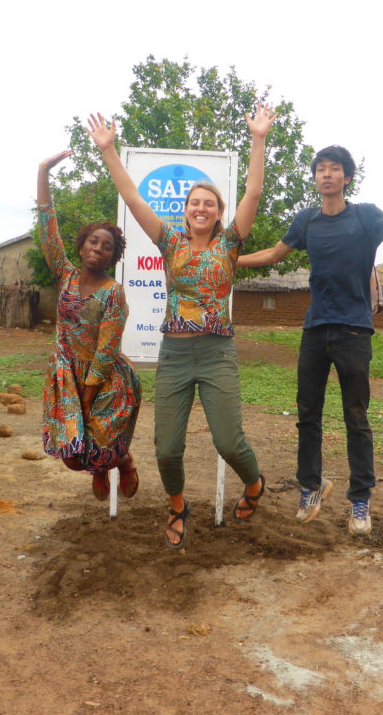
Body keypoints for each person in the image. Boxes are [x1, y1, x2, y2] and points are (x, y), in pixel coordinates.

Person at [237, 145, 383, 536]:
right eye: (320, 169)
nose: (326, 174)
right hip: (315, 329)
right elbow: (274, 255)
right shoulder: (306, 220)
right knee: (307, 414)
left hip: (354, 330)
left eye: (334, 169)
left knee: (356, 417)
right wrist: (229, 259)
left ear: (346, 177)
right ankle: (311, 486)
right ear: (315, 178)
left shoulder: (366, 216)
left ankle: (360, 499)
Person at [86, 102, 277, 549]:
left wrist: (259, 138)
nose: (201, 208)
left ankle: (254, 484)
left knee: (230, 443)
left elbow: (253, 194)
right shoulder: (169, 241)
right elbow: (133, 197)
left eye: (209, 204)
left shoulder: (230, 244)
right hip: (174, 354)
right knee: (167, 448)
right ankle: (178, 507)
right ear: (185, 210)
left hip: (216, 354)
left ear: (217, 211)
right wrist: (108, 151)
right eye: (195, 203)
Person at [36, 149, 141, 501]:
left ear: (114, 256)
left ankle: (120, 462)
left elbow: (107, 348)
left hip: (103, 377)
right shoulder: (65, 276)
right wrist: (43, 172)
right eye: (93, 242)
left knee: (101, 447)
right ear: (81, 247)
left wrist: (88, 394)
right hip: (65, 374)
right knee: (70, 457)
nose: (99, 248)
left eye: (108, 246)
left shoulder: (114, 293)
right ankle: (97, 468)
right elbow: (47, 231)